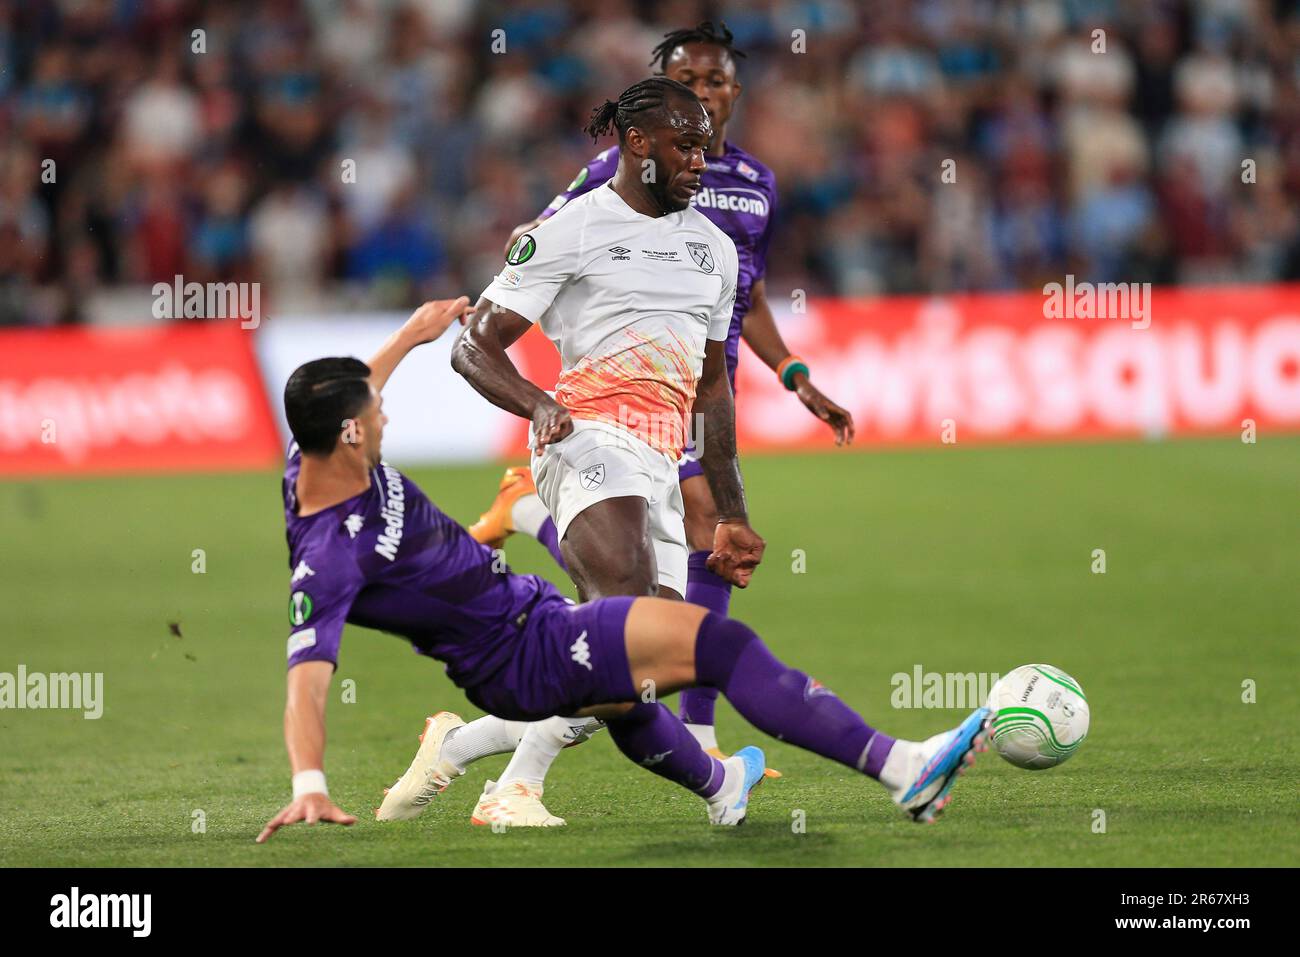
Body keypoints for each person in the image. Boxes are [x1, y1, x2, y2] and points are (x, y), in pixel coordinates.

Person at [256, 308, 991, 842]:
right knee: (717, 646)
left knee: (628, 707)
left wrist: (411, 337)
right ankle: (903, 767)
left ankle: (721, 786)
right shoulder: (328, 557)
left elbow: (360, 385)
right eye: (375, 411)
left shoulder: (316, 455)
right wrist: (309, 784)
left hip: (528, 619)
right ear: (351, 432)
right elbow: (306, 682)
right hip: (524, 652)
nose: (384, 415)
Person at [432, 24, 858, 825]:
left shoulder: (737, 214)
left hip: (682, 428)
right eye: (686, 98)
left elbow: (732, 344)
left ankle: (465, 744)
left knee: (642, 660)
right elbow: (496, 322)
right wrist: (537, 394)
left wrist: (781, 401)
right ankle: (686, 769)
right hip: (600, 423)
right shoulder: (589, 204)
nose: (703, 123)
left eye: (717, 88)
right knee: (629, 623)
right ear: (641, 131)